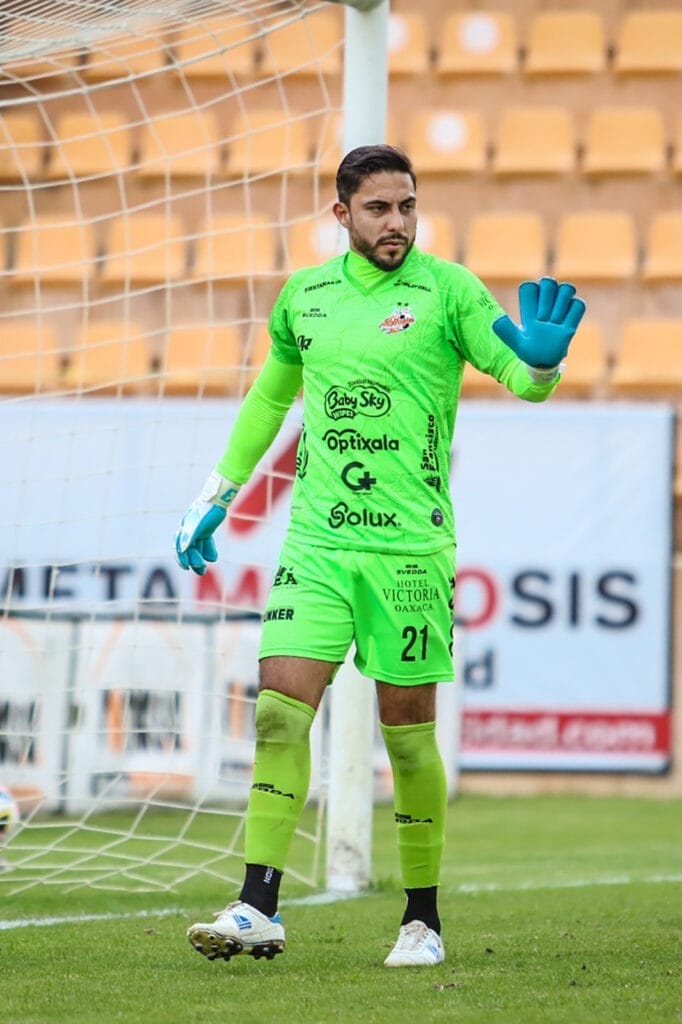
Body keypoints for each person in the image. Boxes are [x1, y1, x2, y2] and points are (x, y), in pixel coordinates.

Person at [175, 145, 586, 968]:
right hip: (319, 544)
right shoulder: (307, 297)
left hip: (407, 552)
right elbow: (270, 397)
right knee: (278, 712)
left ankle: (422, 920)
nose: (396, 222)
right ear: (342, 216)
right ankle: (258, 905)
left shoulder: (449, 291)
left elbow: (519, 373)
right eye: (378, 209)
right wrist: (216, 494)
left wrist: (543, 360)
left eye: (406, 206)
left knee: (406, 740)